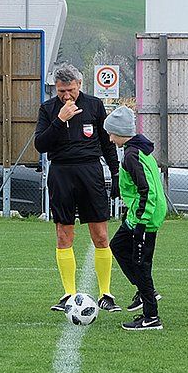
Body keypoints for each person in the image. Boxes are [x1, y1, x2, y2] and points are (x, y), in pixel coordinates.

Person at [34, 63, 122, 313]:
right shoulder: (48, 109)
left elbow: (107, 143)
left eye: (70, 90)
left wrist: (115, 173)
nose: (66, 96)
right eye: (61, 91)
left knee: (101, 235)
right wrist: (60, 121)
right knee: (64, 234)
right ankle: (68, 294)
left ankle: (106, 293)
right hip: (61, 172)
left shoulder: (94, 105)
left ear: (80, 85)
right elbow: (41, 144)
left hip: (90, 171)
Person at [103, 106, 167, 331]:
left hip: (145, 219)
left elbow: (146, 190)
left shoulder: (132, 154)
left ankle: (151, 317)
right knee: (118, 246)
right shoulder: (136, 150)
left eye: (111, 134)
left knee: (141, 264)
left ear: (120, 132)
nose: (110, 139)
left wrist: (141, 221)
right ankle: (143, 290)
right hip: (136, 215)